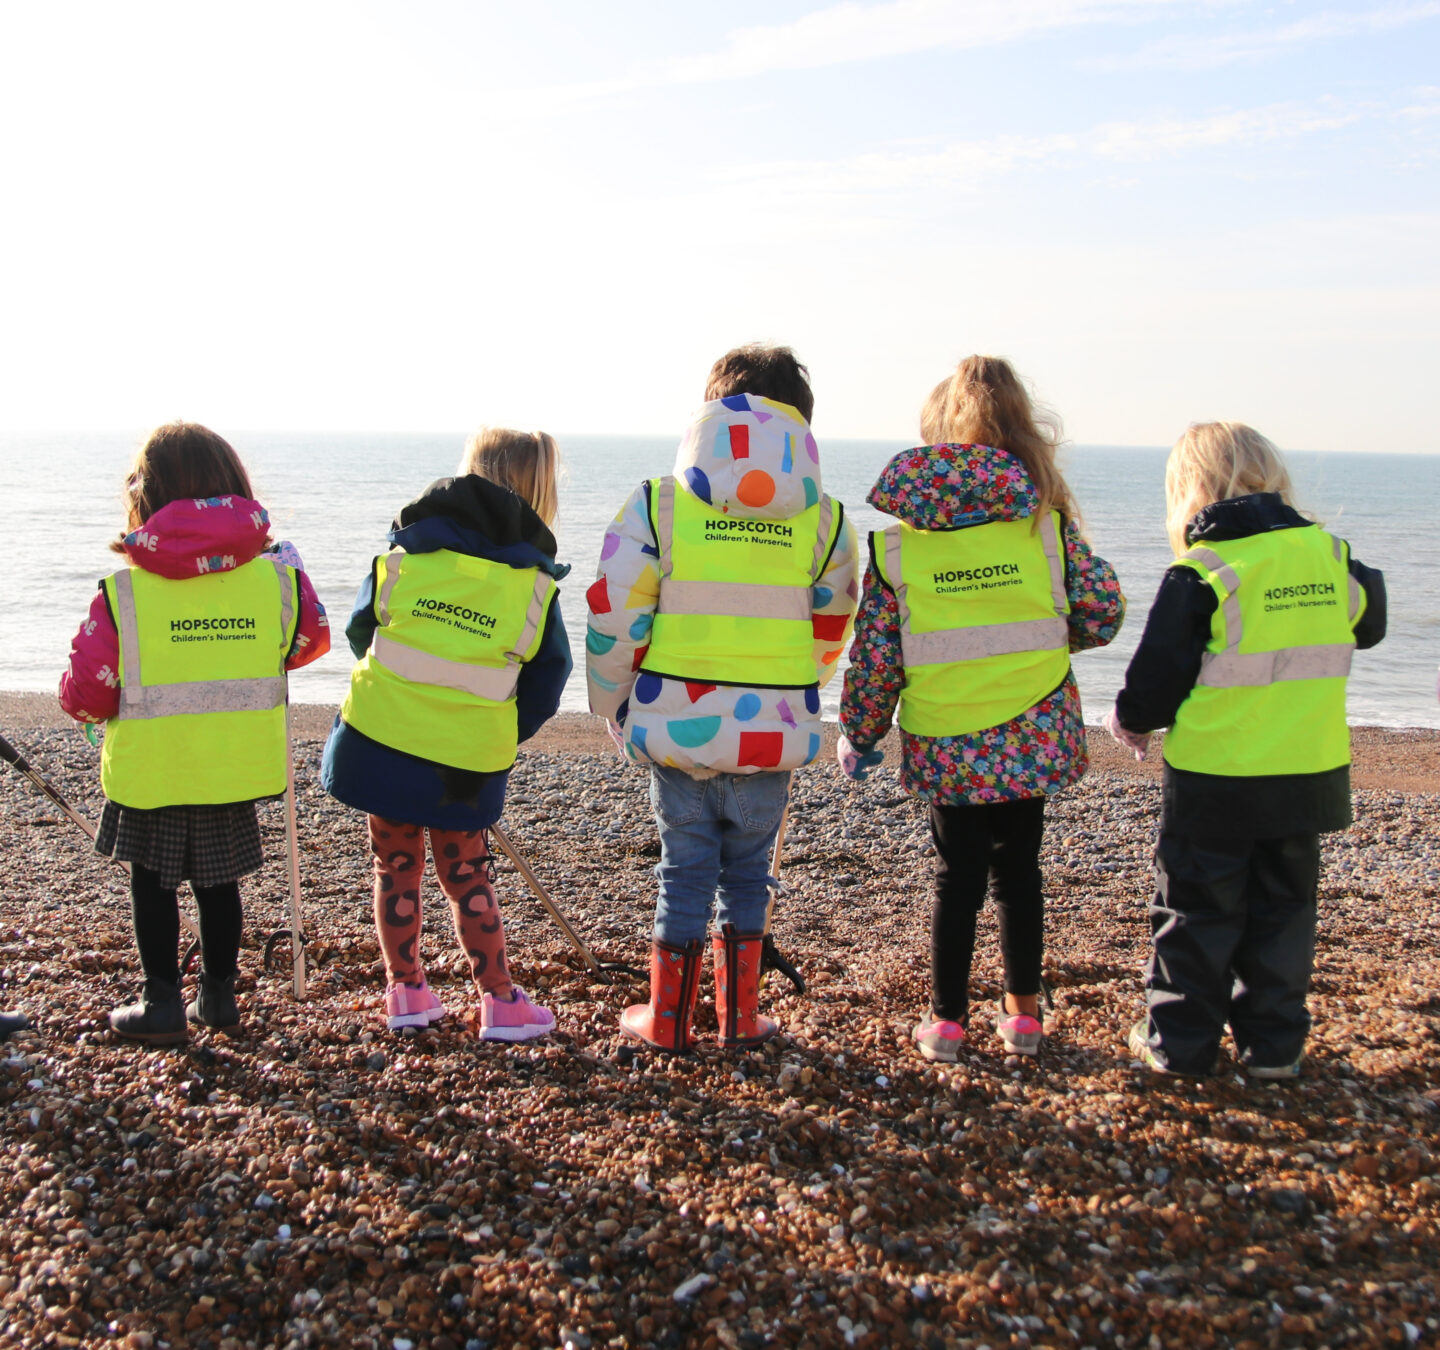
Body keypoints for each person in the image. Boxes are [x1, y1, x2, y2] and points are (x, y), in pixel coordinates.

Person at [838, 356, 1124, 1063]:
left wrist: (861, 730)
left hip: (947, 736)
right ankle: (1023, 1017)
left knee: (954, 877)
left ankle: (947, 1023)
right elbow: (1103, 610)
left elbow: (879, 659)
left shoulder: (900, 549)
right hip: (1032, 728)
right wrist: (1049, 643)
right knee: (1019, 872)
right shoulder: (1044, 529)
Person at [586, 344, 858, 1052]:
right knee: (749, 874)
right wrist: (794, 695)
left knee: (684, 871)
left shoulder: (657, 504)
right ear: (802, 424)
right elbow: (831, 629)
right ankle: (739, 1019)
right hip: (771, 735)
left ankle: (667, 1022)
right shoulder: (826, 522)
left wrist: (614, 704)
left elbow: (616, 614)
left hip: (676, 730)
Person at [1106, 422, 1385, 1079]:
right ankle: (1273, 1049)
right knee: (1284, 916)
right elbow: (1369, 625)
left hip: (1217, 780)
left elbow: (1159, 673)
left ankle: (1180, 1044)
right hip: (1306, 775)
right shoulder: (1331, 556)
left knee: (1197, 913)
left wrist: (1132, 720)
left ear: (1190, 493)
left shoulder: (1204, 571)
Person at [59, 422, 331, 1043]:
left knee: (152, 885)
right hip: (231, 764)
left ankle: (160, 1001)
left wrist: (77, 702)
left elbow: (90, 692)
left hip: (153, 768)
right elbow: (308, 642)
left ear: (146, 499)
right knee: (217, 883)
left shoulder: (124, 592)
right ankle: (218, 995)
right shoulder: (276, 581)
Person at [322, 428, 571, 1040]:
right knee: (466, 873)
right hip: (463, 758)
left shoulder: (405, 555)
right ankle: (499, 1001)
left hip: (380, 737)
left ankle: (405, 992)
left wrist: (402, 688)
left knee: (395, 864)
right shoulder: (534, 586)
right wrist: (503, 731)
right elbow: (549, 677)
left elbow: (363, 629)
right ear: (540, 493)